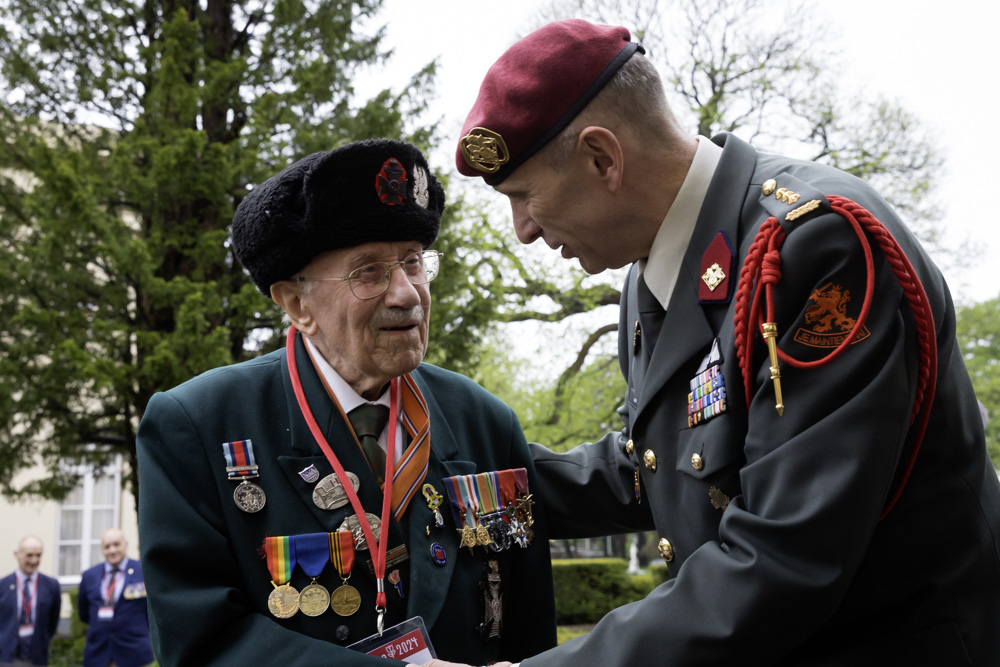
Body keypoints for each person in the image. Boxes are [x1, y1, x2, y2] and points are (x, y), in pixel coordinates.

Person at [444, 18, 1000, 666]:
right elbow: (650, 465)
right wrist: (450, 494)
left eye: (524, 196)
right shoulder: (652, 273)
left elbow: (783, 557)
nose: (523, 231)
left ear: (603, 159)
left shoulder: (813, 249)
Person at [136, 139, 556, 666]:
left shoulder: (486, 422)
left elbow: (530, 635)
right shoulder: (197, 427)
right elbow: (200, 643)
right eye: (370, 272)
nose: (407, 293)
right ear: (296, 303)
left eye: (413, 263)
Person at [77, 529, 153, 667]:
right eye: (107, 546)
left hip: (134, 653)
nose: (112, 550)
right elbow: (84, 613)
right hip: (98, 654)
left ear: (125, 544)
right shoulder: (89, 576)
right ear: (101, 549)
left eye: (116, 544)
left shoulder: (142, 571)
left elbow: (151, 610)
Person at [0, 536, 61, 666]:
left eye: (38, 555)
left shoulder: (51, 586)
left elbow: (52, 622)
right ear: (17, 555)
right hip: (6, 657)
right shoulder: (3, 586)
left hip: (37, 656)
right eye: (29, 555)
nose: (34, 560)